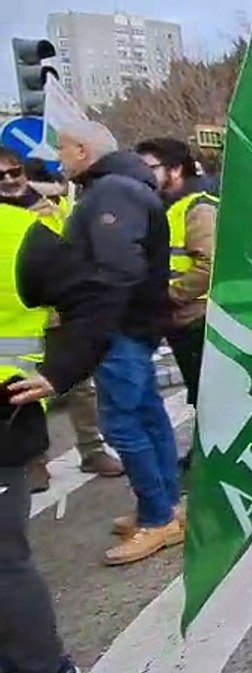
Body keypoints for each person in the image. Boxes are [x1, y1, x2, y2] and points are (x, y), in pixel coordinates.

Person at [1, 170, 127, 673]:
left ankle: (45, 671)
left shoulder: (19, 234)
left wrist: (59, 370)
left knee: (1, 561)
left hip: (2, 423)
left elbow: (97, 302)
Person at [57, 120, 182, 565]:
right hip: (132, 326)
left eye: (63, 149)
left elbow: (117, 267)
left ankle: (157, 518)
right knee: (147, 415)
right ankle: (166, 507)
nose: (59, 158)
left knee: (124, 423)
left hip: (119, 329)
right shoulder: (124, 188)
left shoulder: (112, 192)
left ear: (83, 150)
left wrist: (93, 326)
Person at [0, 148, 124, 490]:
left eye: (15, 172)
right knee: (24, 395)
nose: (10, 180)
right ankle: (35, 463)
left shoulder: (50, 208)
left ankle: (92, 449)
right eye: (2, 176)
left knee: (79, 387)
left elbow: (79, 266)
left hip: (60, 318)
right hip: (23, 329)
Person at [135, 138, 216, 470]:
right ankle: (206, 455)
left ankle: (212, 462)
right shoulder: (166, 207)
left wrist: (169, 296)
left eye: (149, 167)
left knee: (209, 395)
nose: (142, 175)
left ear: (175, 169)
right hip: (181, 319)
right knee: (201, 394)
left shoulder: (198, 207)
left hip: (200, 317)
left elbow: (208, 265)